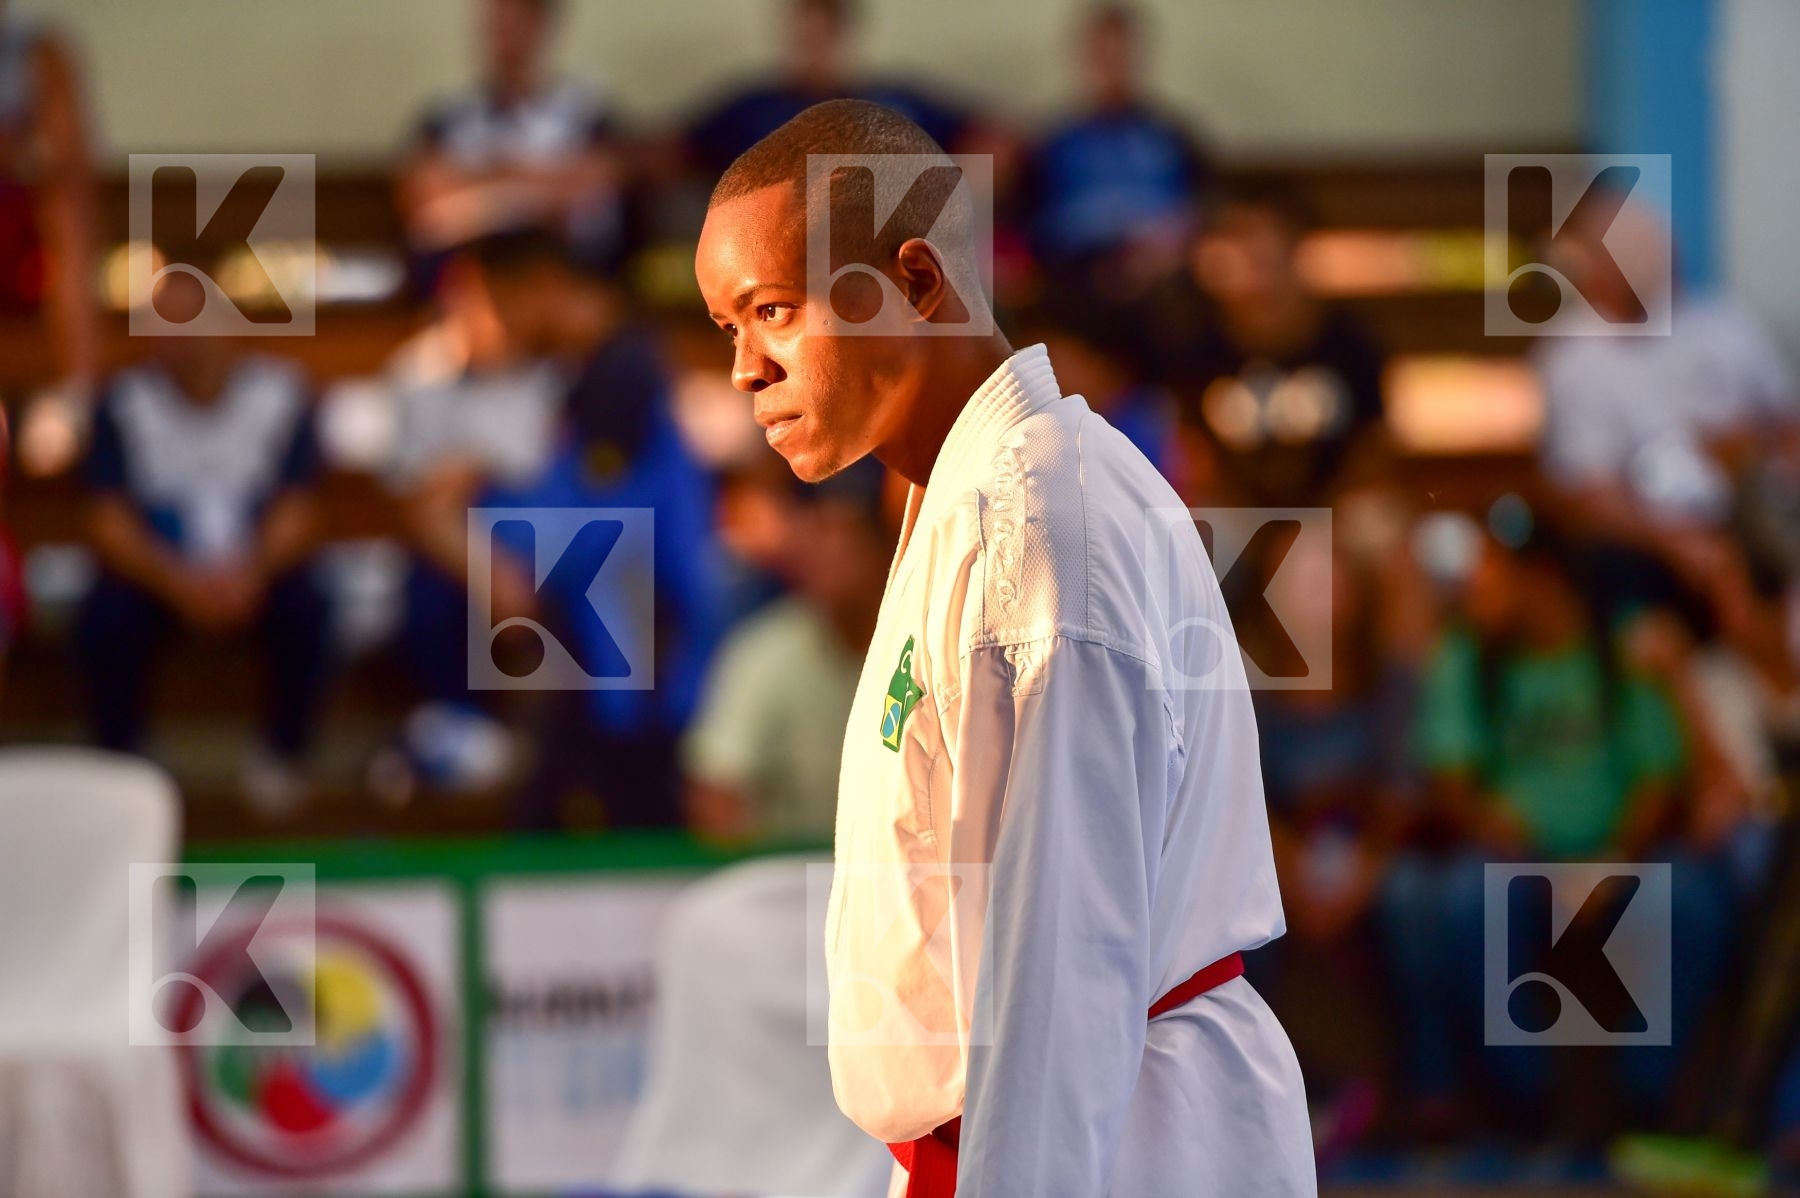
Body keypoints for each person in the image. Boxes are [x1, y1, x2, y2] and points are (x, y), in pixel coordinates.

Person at [694, 99, 1313, 1197]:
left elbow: (1065, 963)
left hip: (1114, 1139)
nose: (746, 368)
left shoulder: (1033, 528)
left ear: (918, 282)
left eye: (773, 311)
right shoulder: (971, 494)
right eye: (728, 329)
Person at [1379, 510, 1739, 1141]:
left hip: (1622, 850)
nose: (1473, 586)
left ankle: (1647, 1103)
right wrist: (1534, 853)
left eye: (1490, 571)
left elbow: (1656, 777)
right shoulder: (1467, 649)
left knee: (1693, 902)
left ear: (1539, 578)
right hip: (1515, 855)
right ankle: (1523, 1105)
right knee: (1469, 899)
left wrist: (1608, 860)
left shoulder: (1620, 643)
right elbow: (1453, 780)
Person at [75, 255, 330, 815]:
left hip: (252, 565)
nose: (181, 339)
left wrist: (248, 574)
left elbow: (297, 510)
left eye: (194, 321)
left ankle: (285, 755)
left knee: (308, 605)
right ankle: (125, 761)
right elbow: (110, 524)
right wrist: (179, 583)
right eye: (165, 324)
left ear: (231, 324)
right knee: (106, 617)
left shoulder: (283, 394)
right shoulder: (121, 402)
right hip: (161, 569)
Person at [683, 458, 889, 845]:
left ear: (885, 543)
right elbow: (716, 793)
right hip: (793, 883)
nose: (823, 549)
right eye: (814, 528)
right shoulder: (762, 653)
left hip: (908, 875)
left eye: (843, 532)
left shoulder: (932, 646)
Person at [1164, 181, 1390, 509]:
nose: (1252, 265)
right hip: (1233, 515)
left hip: (1337, 513)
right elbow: (1192, 452)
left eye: (1265, 248)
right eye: (1238, 240)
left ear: (1296, 246)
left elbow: (1372, 449)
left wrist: (1324, 517)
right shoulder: (1196, 345)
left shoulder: (1349, 342)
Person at [397, 0, 621, 268]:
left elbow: (591, 191)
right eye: (494, 24)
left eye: (515, 23)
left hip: (565, 275)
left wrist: (476, 190)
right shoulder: (445, 118)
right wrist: (542, 187)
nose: (502, 37)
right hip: (467, 279)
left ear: (543, 26)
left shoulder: (589, 115)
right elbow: (426, 205)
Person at [1, 0, 100, 478]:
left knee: (66, 210)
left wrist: (22, 153)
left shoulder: (38, 52)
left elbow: (65, 154)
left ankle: (74, 393)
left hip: (22, 242)